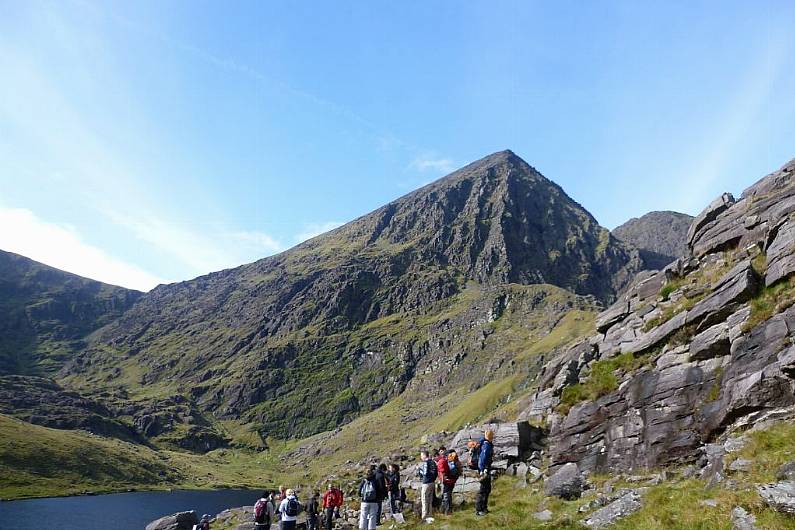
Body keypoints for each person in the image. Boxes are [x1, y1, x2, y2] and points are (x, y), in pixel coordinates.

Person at [475, 429, 495, 517]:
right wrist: (483, 470)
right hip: (484, 470)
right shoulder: (486, 446)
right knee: (483, 489)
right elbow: (483, 458)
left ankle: (484, 508)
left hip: (485, 469)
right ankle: (479, 509)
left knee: (487, 489)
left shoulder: (484, 443)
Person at [415, 450, 437, 520]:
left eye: (421, 455)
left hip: (426, 483)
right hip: (432, 482)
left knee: (424, 500)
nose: (421, 457)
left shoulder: (426, 463)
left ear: (424, 455)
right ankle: (430, 515)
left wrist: (418, 470)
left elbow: (425, 473)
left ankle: (424, 517)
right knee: (430, 500)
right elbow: (435, 472)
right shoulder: (433, 462)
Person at [359, 465, 380, 530]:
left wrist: (361, 496)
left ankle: (362, 528)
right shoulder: (375, 481)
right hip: (374, 501)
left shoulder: (364, 481)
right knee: (372, 516)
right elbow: (378, 490)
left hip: (364, 501)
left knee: (363, 516)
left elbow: (359, 490)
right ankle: (372, 528)